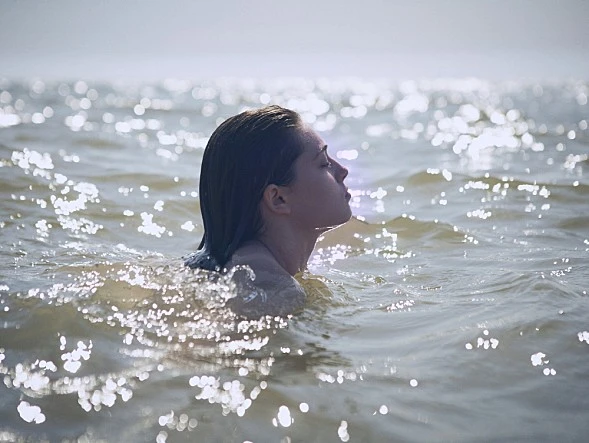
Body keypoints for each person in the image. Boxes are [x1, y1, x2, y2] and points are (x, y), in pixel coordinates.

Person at [184, 105, 351, 318]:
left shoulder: (226, 267)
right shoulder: (274, 289)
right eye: (324, 163)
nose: (343, 171)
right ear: (278, 199)